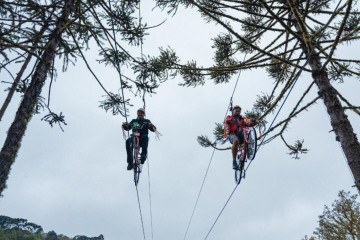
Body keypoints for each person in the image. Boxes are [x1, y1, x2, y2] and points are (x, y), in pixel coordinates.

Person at [224, 105, 257, 169]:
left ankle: (249, 150)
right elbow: (227, 120)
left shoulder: (243, 119)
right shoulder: (229, 117)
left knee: (248, 135)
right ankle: (234, 161)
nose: (238, 111)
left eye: (239, 110)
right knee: (236, 140)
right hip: (232, 134)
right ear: (233, 111)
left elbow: (249, 123)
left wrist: (254, 121)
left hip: (241, 134)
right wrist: (231, 119)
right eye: (236, 109)